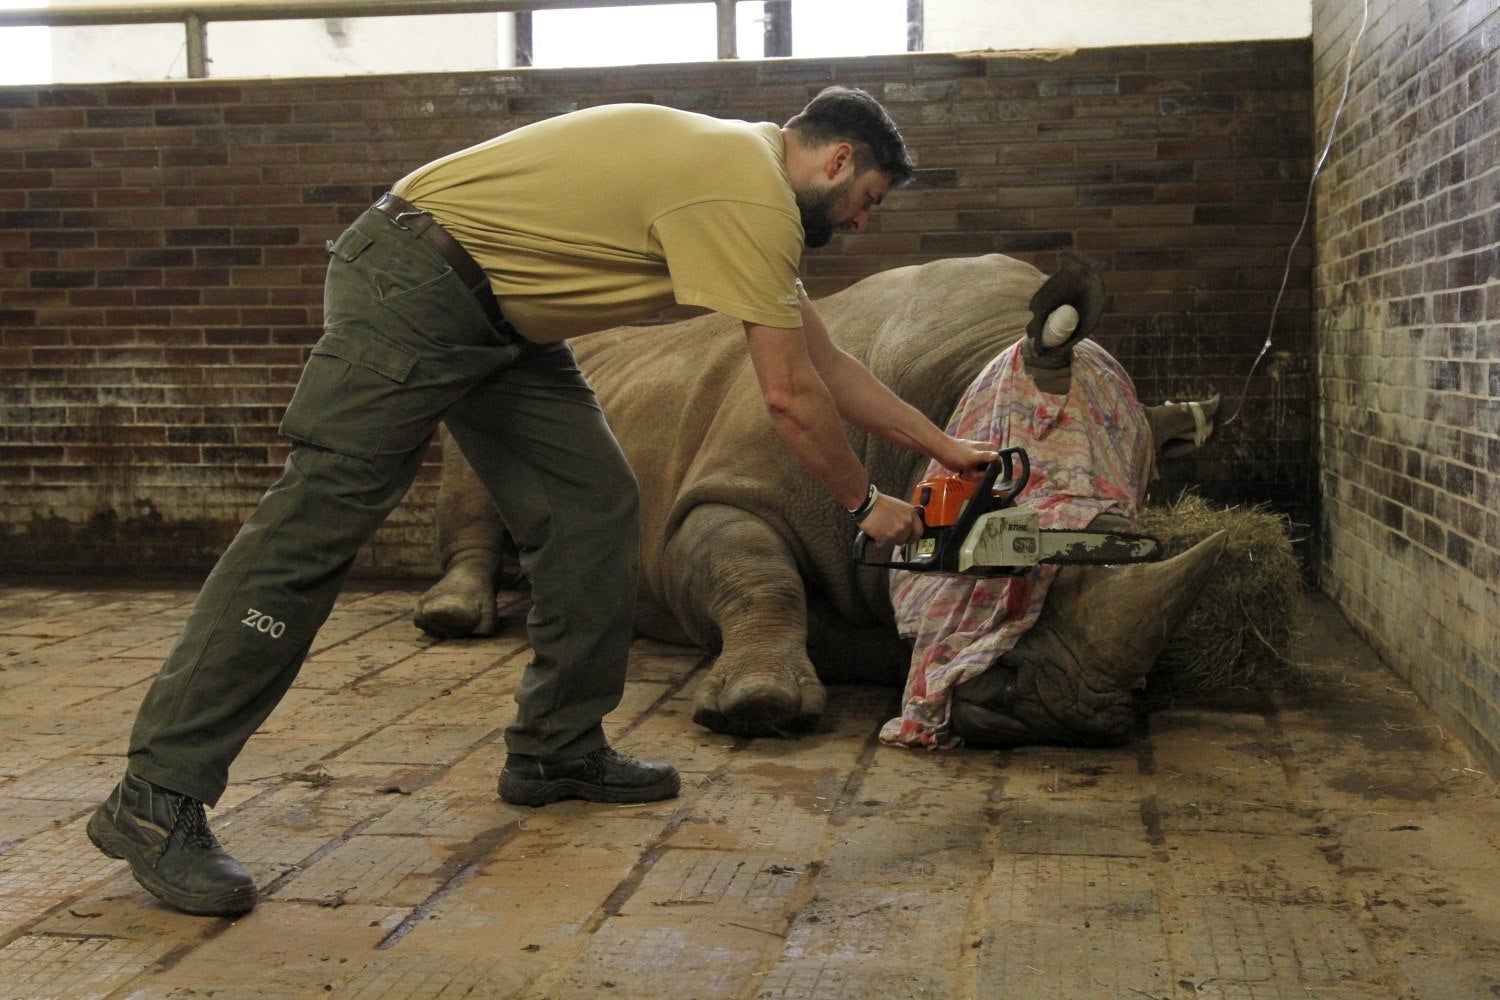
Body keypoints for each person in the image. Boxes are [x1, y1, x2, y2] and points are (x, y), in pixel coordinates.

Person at [86, 86, 999, 917]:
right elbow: (790, 398)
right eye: (869, 200)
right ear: (836, 161)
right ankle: (156, 797)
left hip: (507, 320)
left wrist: (947, 447)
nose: (865, 223)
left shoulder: (741, 185)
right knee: (313, 529)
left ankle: (556, 747)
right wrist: (863, 503)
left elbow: (828, 363)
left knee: (596, 505)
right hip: (416, 280)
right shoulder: (747, 192)